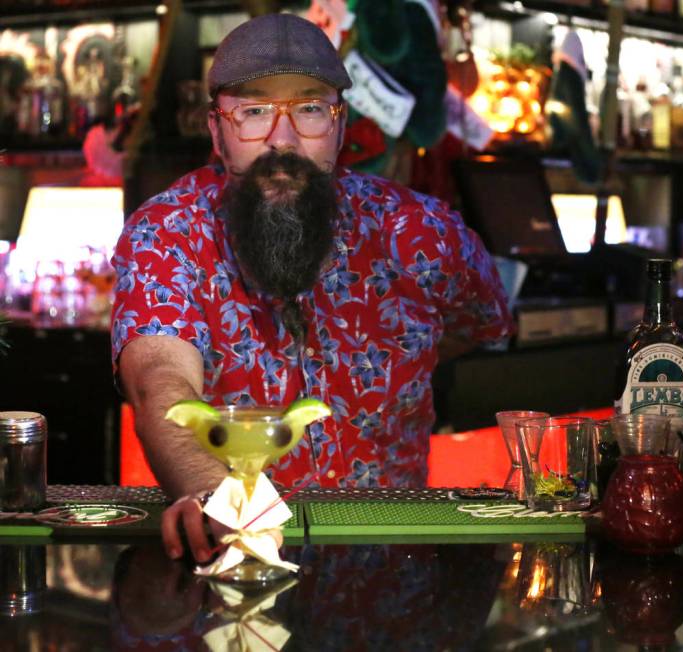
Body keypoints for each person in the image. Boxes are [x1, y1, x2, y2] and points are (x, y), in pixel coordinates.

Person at [111, 13, 514, 563]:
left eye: (309, 109)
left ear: (340, 126)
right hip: (237, 568)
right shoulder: (169, 232)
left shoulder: (421, 233)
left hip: (394, 586)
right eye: (252, 111)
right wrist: (216, 494)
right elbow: (160, 379)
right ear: (217, 131)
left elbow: (482, 324)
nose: (282, 139)